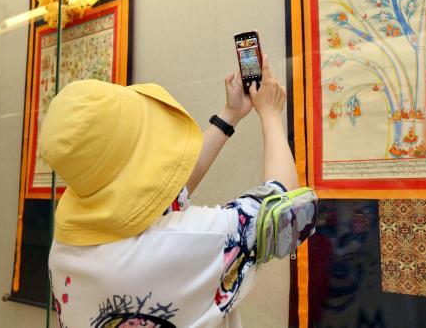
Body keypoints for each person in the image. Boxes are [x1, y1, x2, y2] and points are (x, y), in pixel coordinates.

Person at [40, 55, 308, 328]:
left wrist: (231, 114)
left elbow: (160, 197)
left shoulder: (63, 249)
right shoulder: (183, 241)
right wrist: (271, 113)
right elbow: (287, 215)